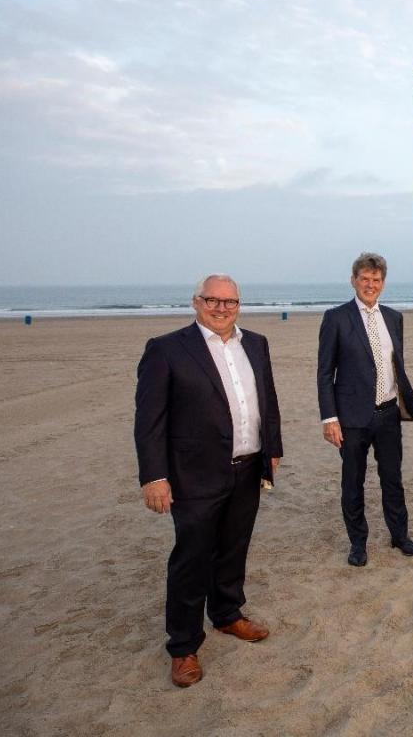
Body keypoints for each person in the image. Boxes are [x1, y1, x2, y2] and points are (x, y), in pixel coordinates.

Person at [134, 274, 283, 688]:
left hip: (248, 467)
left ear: (239, 305)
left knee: (234, 549)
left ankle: (227, 614)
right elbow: (149, 422)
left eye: (230, 302)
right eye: (212, 300)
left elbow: (266, 401)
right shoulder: (166, 349)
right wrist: (154, 476)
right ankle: (183, 646)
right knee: (191, 560)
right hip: (193, 474)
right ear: (196, 302)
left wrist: (272, 449)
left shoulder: (255, 343)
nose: (221, 308)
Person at [317, 253, 413, 568]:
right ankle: (358, 543)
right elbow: (325, 373)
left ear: (383, 283)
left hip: (388, 414)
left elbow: (395, 364)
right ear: (354, 280)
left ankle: (399, 535)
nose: (370, 285)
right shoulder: (336, 318)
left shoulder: (394, 318)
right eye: (365, 279)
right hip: (351, 418)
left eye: (376, 280)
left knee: (393, 478)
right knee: (353, 482)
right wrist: (329, 417)